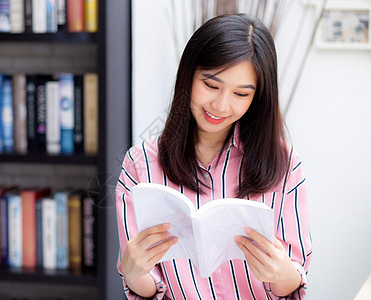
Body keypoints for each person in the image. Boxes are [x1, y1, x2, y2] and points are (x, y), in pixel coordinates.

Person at [116, 13, 312, 299]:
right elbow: (148, 290)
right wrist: (133, 272)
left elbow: (292, 284)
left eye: (241, 94)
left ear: (258, 97)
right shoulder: (140, 164)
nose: (221, 105)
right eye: (211, 85)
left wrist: (284, 274)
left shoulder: (284, 164)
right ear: (189, 75)